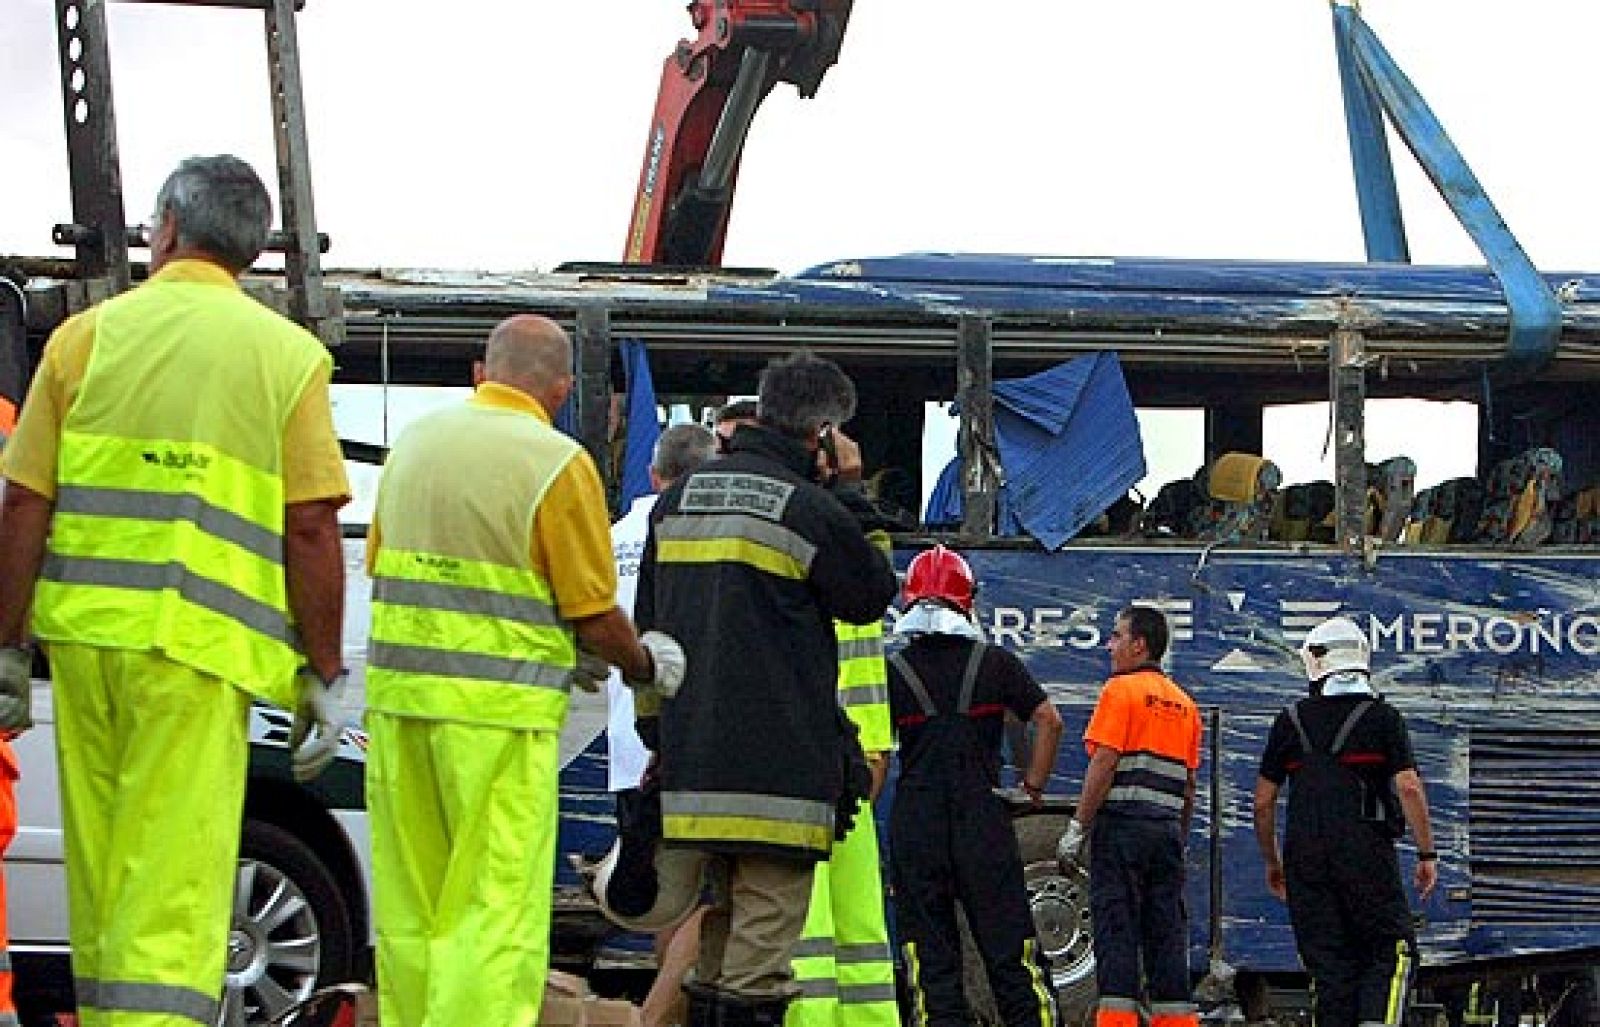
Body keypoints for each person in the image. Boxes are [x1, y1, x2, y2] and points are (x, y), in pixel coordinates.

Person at [0, 154, 350, 1026]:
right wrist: (323, 668)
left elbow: (23, 501)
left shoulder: (84, 340)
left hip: (85, 645)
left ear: (164, 228)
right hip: (199, 656)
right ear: (255, 250)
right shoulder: (287, 357)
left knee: (105, 861)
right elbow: (310, 526)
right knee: (177, 875)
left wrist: (6, 646)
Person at [364, 313, 684, 1027]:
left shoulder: (413, 446)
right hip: (498, 722)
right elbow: (592, 609)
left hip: (398, 710)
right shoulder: (556, 462)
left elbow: (387, 564)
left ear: (481, 372)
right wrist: (641, 664)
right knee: (492, 907)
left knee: (414, 905)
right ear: (563, 386)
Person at [635, 352, 899, 1026]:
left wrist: (662, 740)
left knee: (718, 950)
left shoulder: (674, 503)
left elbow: (648, 643)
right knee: (758, 966)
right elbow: (870, 591)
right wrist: (850, 487)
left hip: (693, 775)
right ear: (823, 433)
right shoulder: (808, 510)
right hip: (779, 785)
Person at [885, 544, 1063, 1027]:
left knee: (931, 961)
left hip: (917, 823)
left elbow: (875, 752)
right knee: (1011, 953)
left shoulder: (892, 671)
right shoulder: (996, 664)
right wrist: (1032, 787)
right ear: (968, 601)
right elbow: (1049, 720)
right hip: (982, 819)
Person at [1253, 616, 1437, 1027]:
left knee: (1330, 970)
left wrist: (1274, 863)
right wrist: (1427, 853)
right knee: (1391, 953)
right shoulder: (1383, 718)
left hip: (1305, 864)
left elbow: (1263, 803)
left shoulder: (1290, 721)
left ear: (1315, 662)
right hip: (1367, 857)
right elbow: (1408, 788)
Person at [606, 422, 717, 1027]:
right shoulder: (698, 535)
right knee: (715, 895)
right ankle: (656, 1017)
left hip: (629, 746)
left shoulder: (615, 536)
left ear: (653, 475)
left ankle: (666, 1013)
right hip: (687, 740)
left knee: (662, 895)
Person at [1058, 604, 1202, 1027]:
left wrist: (1077, 828)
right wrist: (1179, 836)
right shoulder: (1185, 705)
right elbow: (1188, 786)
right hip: (1165, 833)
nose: (1109, 645)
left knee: (1116, 930)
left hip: (1121, 828)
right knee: (1166, 934)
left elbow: (1103, 763)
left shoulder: (1119, 692)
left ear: (1139, 645)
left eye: (1117, 636)